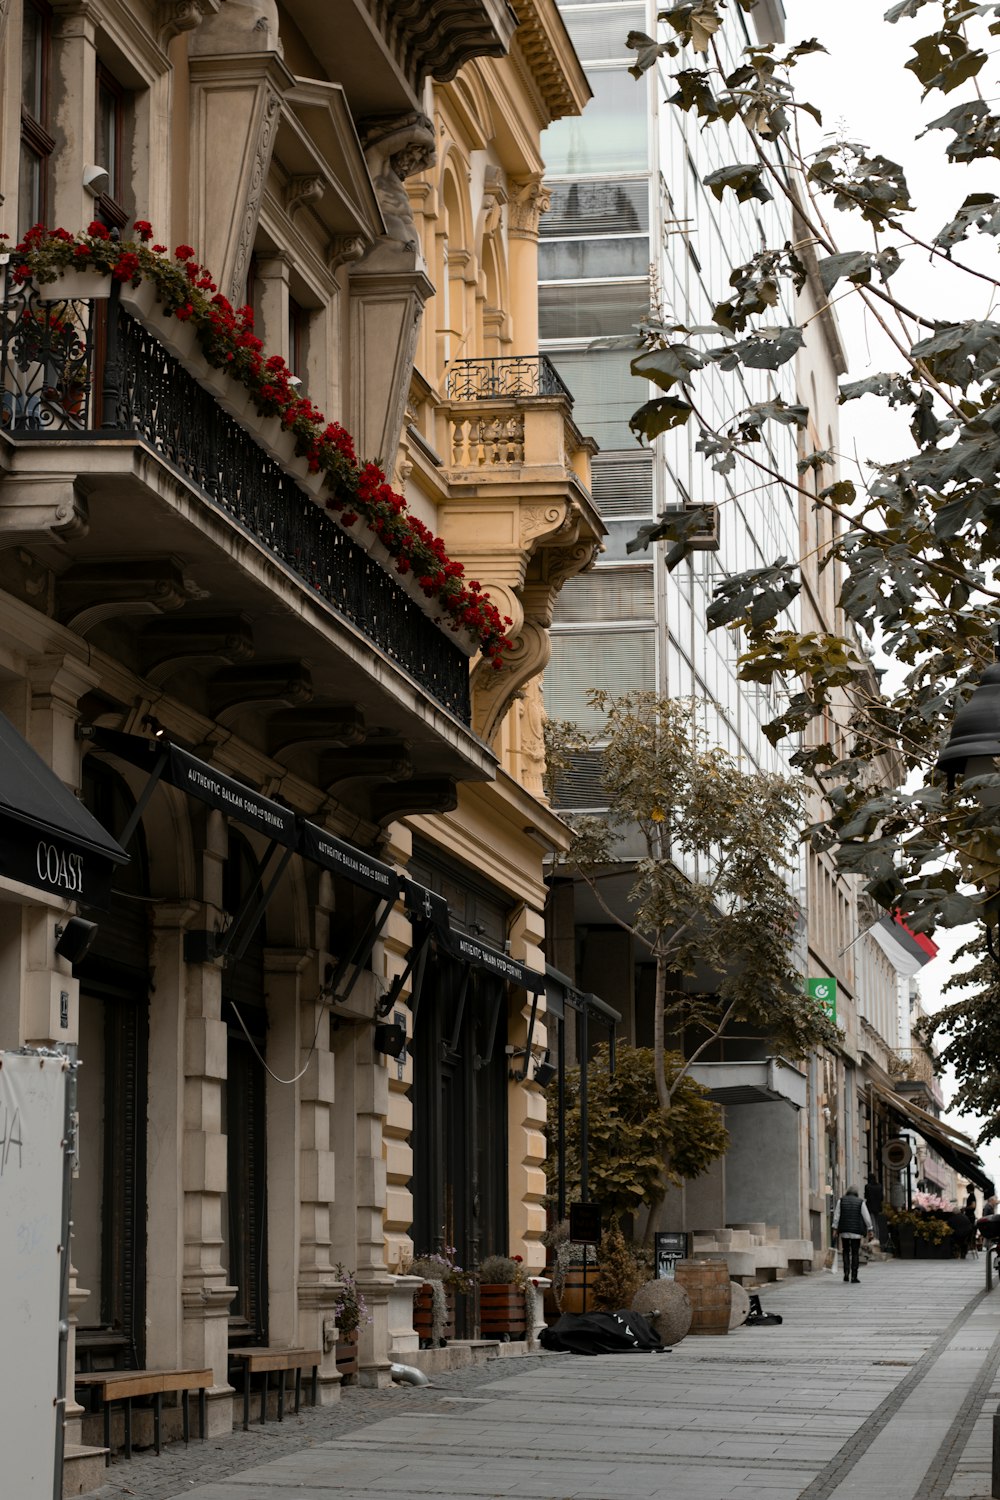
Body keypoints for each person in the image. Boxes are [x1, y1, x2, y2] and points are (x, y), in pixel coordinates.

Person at [833, 1185, 874, 1284]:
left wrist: (834, 1228)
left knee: (845, 1251)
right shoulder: (861, 1202)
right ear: (856, 1193)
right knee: (855, 1252)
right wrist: (870, 1229)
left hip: (844, 1230)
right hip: (856, 1232)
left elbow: (836, 1215)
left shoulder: (841, 1201)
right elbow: (866, 1217)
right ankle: (854, 1276)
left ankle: (846, 1273)